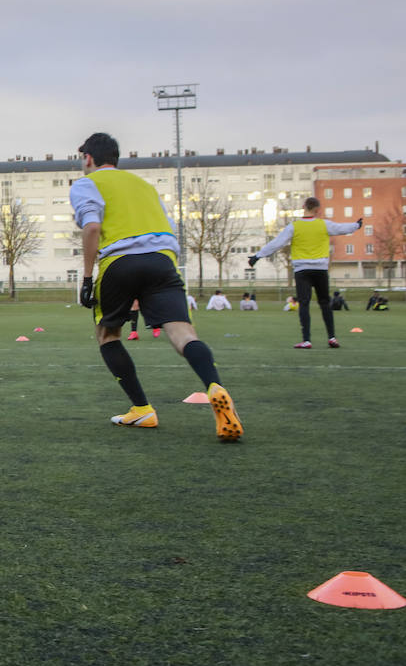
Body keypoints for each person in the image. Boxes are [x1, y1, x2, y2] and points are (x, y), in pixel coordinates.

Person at [69, 133, 242, 442]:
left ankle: (142, 409)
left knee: (107, 335)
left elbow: (92, 226)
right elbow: (170, 228)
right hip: (163, 261)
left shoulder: (86, 183)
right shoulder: (145, 188)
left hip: (120, 262)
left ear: (88, 159)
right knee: (184, 334)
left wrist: (85, 278)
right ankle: (215, 386)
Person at [251, 197, 360, 348]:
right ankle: (332, 338)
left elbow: (277, 243)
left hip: (302, 270)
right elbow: (342, 228)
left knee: (304, 303)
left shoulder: (294, 227)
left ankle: (307, 340)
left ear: (304, 207)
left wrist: (258, 256)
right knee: (324, 303)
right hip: (320, 270)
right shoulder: (324, 224)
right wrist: (356, 225)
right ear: (317, 209)